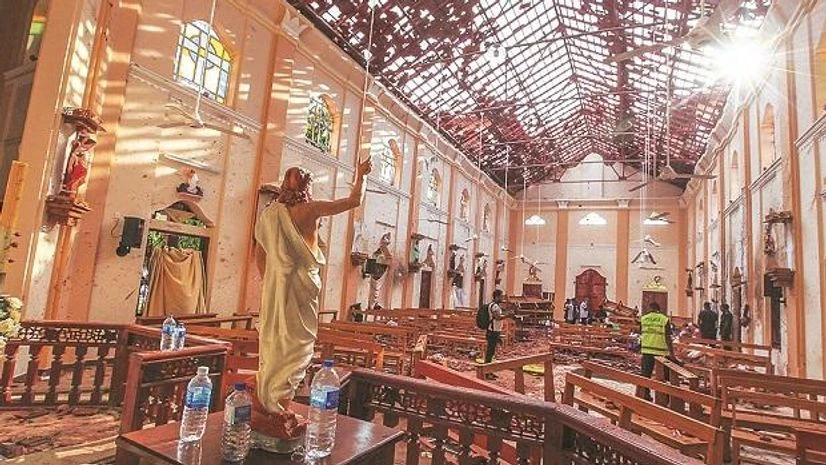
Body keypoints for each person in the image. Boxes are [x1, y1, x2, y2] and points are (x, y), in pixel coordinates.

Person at [253, 158, 372, 439]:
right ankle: (277, 405)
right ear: (307, 187)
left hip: (278, 286)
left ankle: (269, 400)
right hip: (304, 284)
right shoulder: (312, 209)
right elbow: (354, 201)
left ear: (284, 185)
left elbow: (260, 253)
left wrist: (272, 281)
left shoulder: (270, 214)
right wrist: (361, 175)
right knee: (300, 343)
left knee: (276, 340)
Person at [639, 302, 673, 400]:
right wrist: (672, 353)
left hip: (647, 350)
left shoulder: (643, 318)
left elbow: (641, 333)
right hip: (661, 352)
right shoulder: (664, 319)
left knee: (645, 374)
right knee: (664, 376)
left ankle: (645, 395)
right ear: (659, 309)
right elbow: (668, 337)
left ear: (650, 308)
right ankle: (665, 398)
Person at [484, 290, 508, 370]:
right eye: (501, 296)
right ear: (497, 297)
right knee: (490, 352)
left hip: (494, 330)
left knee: (491, 351)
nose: (502, 298)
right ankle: (487, 371)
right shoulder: (494, 306)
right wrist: (507, 315)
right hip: (492, 331)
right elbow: (497, 317)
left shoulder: (493, 305)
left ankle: (489, 370)